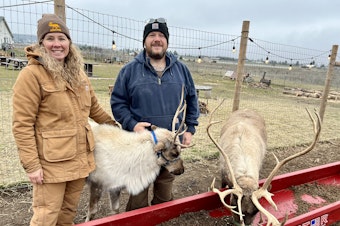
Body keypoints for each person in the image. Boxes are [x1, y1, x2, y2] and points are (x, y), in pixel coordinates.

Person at [12, 14, 118, 226]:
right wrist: (32, 166)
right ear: (41, 43)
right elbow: (22, 125)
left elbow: (94, 108)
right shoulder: (31, 76)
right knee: (46, 216)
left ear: (69, 42)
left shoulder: (78, 73)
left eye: (62, 38)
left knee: (68, 212)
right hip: (52, 163)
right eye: (50, 39)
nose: (57, 44)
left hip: (79, 159)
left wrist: (118, 129)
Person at [110, 17, 199, 211]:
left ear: (167, 41)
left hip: (171, 145)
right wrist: (132, 124)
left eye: (161, 35)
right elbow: (118, 103)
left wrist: (190, 128)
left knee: (165, 191)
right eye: (152, 35)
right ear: (144, 41)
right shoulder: (129, 71)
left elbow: (192, 99)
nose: (156, 39)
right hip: (141, 146)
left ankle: (161, 214)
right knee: (138, 193)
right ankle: (136, 218)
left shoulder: (181, 70)